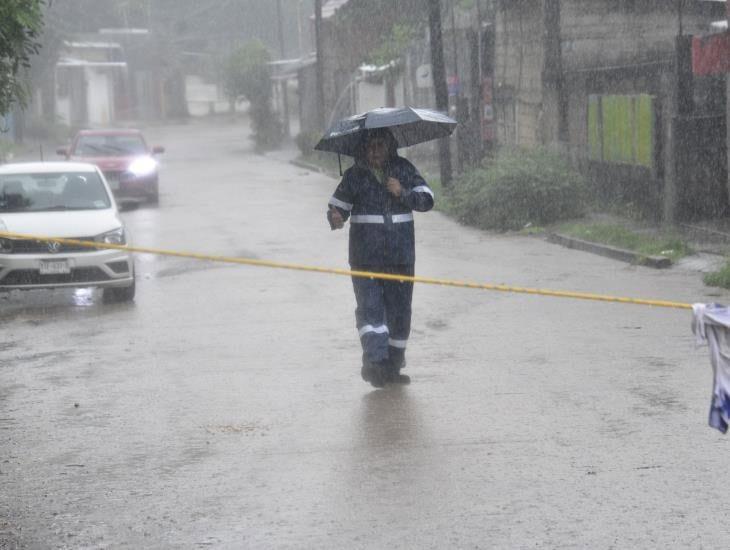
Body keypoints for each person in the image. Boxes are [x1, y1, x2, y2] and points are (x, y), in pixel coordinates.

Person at [327, 128, 434, 387]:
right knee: (370, 310)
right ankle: (375, 364)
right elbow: (336, 208)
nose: (375, 150)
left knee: (399, 313)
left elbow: (428, 200)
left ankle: (393, 366)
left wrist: (403, 192)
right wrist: (335, 218)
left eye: (380, 145)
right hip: (365, 257)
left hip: (400, 256)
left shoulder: (404, 169)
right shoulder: (354, 176)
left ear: (389, 147)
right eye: (371, 146)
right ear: (363, 149)